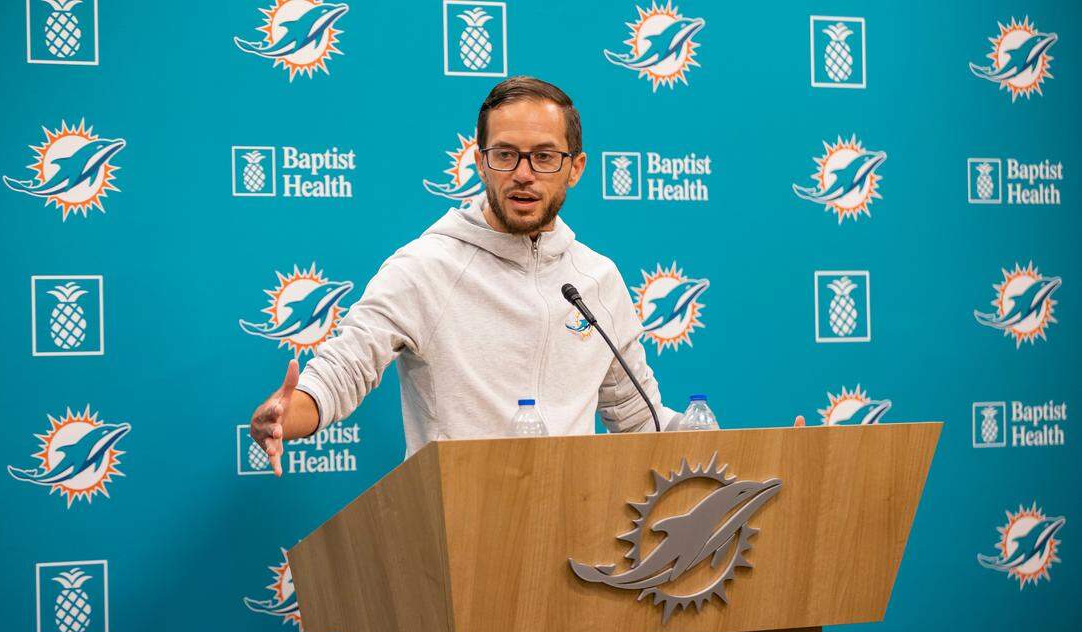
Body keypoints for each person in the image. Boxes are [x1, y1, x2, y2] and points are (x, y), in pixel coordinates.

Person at [250, 76, 802, 475]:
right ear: (480, 161)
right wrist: (287, 416)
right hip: (459, 531)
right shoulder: (425, 267)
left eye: (544, 157)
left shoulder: (598, 279)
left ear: (575, 168)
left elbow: (641, 422)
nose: (523, 175)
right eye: (506, 155)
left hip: (580, 536)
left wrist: (763, 456)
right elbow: (343, 369)